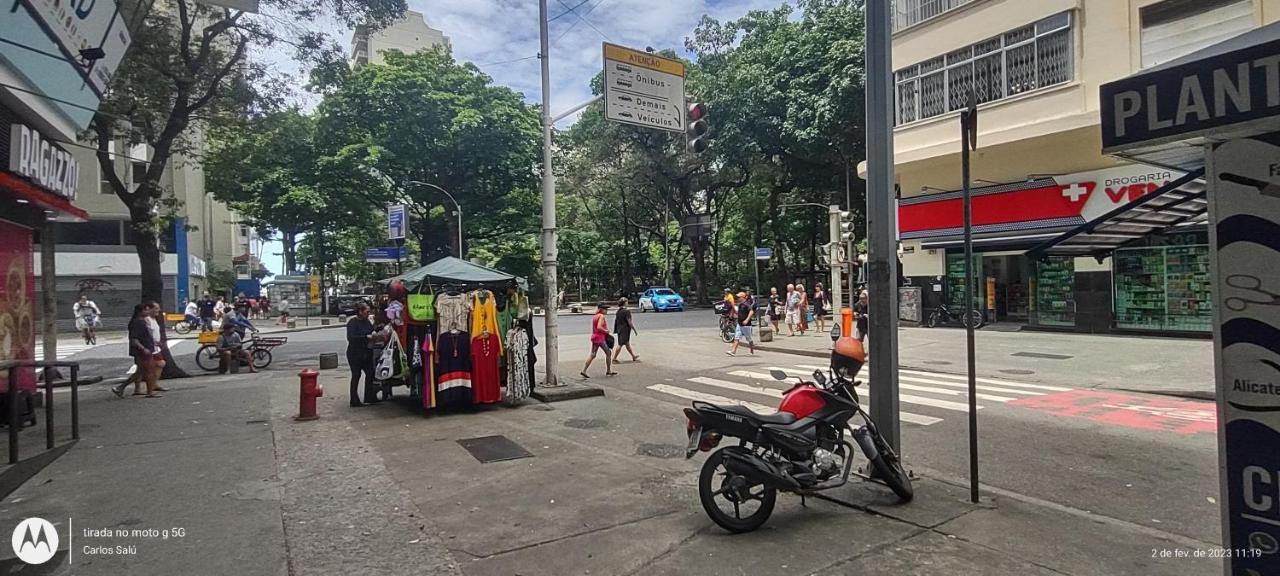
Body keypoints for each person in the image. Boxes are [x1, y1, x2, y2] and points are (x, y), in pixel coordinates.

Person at [346, 303, 380, 407]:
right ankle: (354, 400)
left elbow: (371, 330)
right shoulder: (353, 322)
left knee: (370, 373)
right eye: (367, 312)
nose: (368, 314)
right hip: (355, 353)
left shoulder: (367, 322)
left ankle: (369, 396)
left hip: (366, 352)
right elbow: (351, 338)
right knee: (356, 375)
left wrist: (376, 332)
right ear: (360, 312)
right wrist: (366, 337)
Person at [580, 303, 615, 378]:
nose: (607, 310)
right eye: (605, 309)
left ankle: (584, 370)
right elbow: (599, 327)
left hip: (594, 337)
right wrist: (606, 331)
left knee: (592, 355)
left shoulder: (595, 316)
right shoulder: (601, 316)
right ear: (601, 309)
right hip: (600, 338)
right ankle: (608, 371)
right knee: (608, 353)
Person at [726, 291, 755, 356]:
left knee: (749, 338)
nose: (737, 298)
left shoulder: (746, 304)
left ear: (743, 297)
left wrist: (747, 320)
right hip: (739, 324)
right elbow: (739, 313)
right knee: (736, 337)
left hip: (746, 325)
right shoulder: (740, 304)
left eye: (738, 297)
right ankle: (733, 351)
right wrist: (735, 316)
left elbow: (751, 312)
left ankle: (751, 351)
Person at [612, 297, 638, 363]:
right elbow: (629, 321)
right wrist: (634, 329)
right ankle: (614, 358)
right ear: (624, 303)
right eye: (627, 301)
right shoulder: (627, 311)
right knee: (620, 344)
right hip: (625, 329)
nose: (627, 303)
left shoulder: (618, 311)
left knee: (627, 343)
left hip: (619, 329)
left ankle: (633, 356)